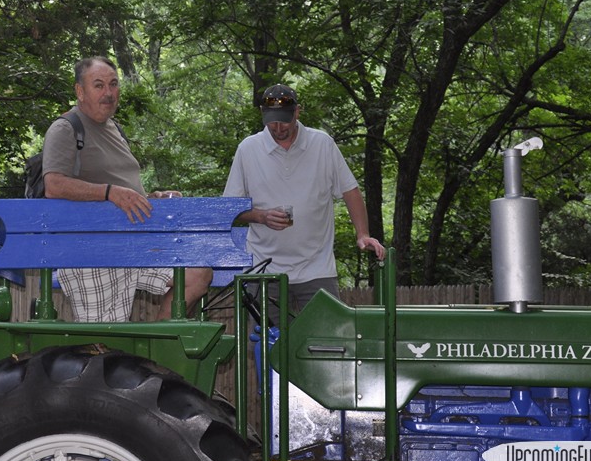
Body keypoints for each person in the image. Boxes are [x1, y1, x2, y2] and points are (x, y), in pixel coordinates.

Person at [41, 56, 213, 322]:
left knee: (196, 273)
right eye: (99, 85)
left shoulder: (116, 129)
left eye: (113, 84)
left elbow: (122, 190)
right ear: (80, 91)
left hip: (135, 246)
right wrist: (110, 192)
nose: (108, 93)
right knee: (104, 341)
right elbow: (53, 185)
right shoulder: (66, 128)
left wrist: (149, 198)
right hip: (90, 252)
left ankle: (158, 344)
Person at [223, 84, 385, 315]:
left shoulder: (322, 144)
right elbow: (230, 207)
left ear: (297, 112)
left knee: (327, 334)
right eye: (272, 121)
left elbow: (350, 190)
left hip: (317, 267)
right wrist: (261, 216)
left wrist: (363, 234)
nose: (278, 127)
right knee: (267, 337)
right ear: (262, 113)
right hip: (264, 269)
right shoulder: (248, 149)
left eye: (284, 120)